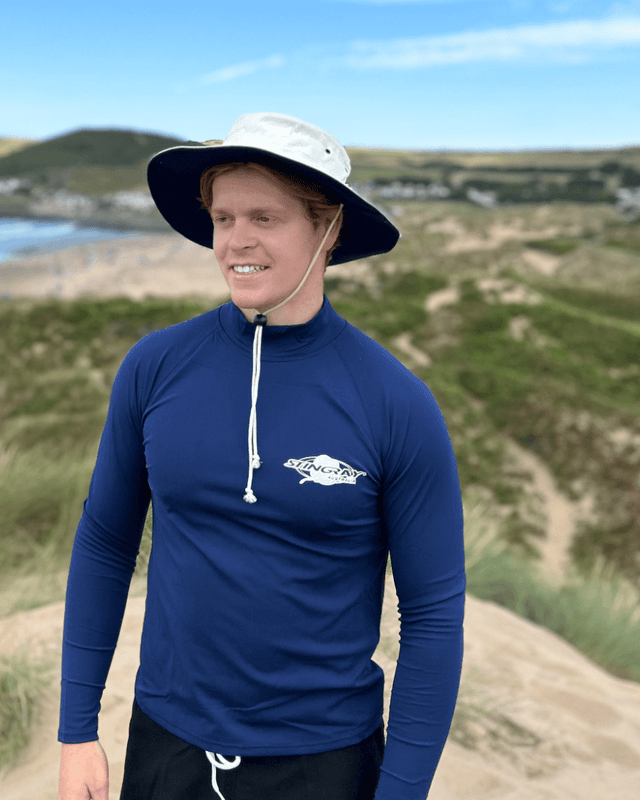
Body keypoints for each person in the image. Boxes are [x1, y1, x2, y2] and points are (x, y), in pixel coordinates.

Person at [58, 112, 465, 800]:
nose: (236, 242)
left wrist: (403, 791)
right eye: (223, 218)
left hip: (324, 761)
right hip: (166, 742)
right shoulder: (154, 367)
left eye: (265, 218)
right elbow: (104, 544)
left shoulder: (395, 402)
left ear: (328, 229)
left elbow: (431, 616)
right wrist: (77, 731)